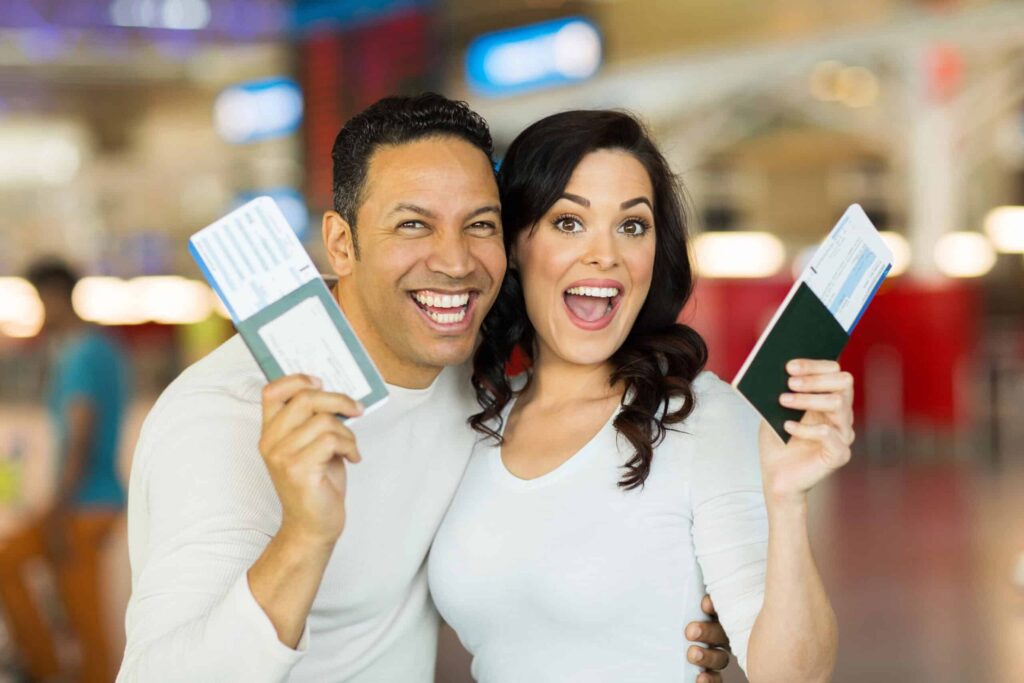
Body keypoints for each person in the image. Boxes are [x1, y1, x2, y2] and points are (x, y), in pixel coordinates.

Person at [117, 94, 732, 682]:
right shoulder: (222, 420)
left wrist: (663, 623)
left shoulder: (477, 386)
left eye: (479, 225)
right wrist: (304, 536)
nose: (456, 261)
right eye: (413, 224)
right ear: (340, 243)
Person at [428, 110, 854, 682]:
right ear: (514, 243)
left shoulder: (701, 419)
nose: (605, 255)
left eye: (632, 226)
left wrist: (787, 500)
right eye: (569, 223)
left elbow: (793, 677)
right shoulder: (476, 417)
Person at [0, 258, 129, 683]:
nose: (39, 311)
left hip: (84, 504)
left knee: (86, 617)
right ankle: (45, 664)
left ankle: (52, 668)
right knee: (19, 566)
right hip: (90, 499)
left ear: (56, 296)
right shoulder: (96, 350)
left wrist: (57, 509)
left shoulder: (82, 355)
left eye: (40, 300)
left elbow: (80, 434)